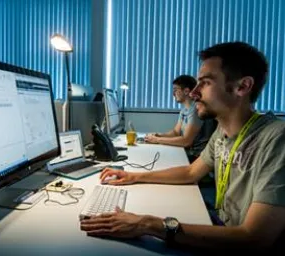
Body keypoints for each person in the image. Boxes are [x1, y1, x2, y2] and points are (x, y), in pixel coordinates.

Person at [80, 42, 285, 253]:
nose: (194, 92)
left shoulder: (276, 139)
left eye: (205, 83)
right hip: (221, 225)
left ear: (242, 87)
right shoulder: (222, 132)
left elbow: (255, 238)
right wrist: (134, 176)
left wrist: (147, 224)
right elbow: (190, 171)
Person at [144, 75, 217, 163]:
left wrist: (157, 140)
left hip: (196, 157)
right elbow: (175, 132)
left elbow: (186, 141)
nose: (173, 94)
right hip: (187, 152)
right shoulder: (184, 110)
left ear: (186, 91)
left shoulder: (195, 109)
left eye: (175, 90)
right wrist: (159, 135)